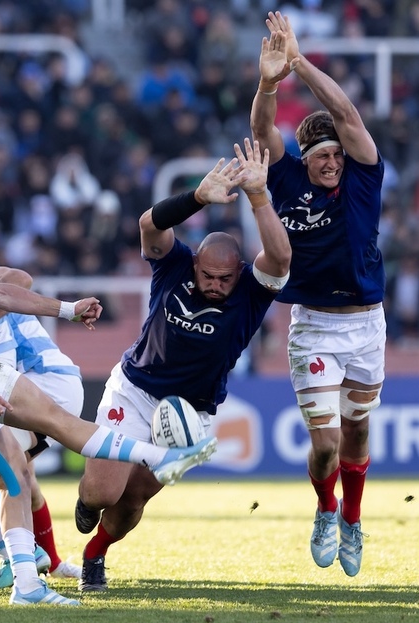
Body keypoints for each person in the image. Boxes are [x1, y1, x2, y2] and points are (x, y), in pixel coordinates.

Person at [0, 200, 219, 607]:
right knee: (58, 420)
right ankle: (160, 458)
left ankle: (27, 586)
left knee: (14, 477)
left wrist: (66, 309)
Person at [73, 139, 291, 592]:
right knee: (102, 493)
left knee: (133, 500)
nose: (214, 285)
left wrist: (259, 195)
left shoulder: (253, 291)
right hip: (133, 389)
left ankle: (95, 555)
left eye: (224, 279)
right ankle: (88, 500)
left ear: (239, 274)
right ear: (195, 265)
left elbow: (282, 257)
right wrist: (195, 198)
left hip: (191, 413)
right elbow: (148, 224)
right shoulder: (174, 266)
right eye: (207, 276)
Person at [250, 11, 384, 577]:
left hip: (367, 324)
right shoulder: (285, 180)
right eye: (322, 156)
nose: (333, 162)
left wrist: (300, 62)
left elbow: (348, 114)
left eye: (336, 154)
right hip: (315, 326)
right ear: (304, 162)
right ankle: (326, 509)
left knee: (357, 431)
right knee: (326, 442)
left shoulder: (362, 177)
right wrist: (267, 84)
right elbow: (262, 134)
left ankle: (353, 517)